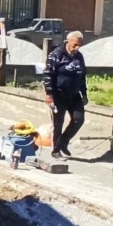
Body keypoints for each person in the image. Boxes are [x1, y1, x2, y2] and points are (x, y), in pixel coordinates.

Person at [43, 31, 88, 159]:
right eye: (75, 45)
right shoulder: (56, 54)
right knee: (58, 122)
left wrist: (84, 94)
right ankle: (56, 149)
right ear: (68, 41)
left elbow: (82, 76)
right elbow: (48, 74)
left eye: (79, 45)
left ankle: (63, 142)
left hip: (74, 94)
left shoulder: (79, 57)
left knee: (79, 119)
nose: (77, 48)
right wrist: (49, 94)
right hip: (58, 94)